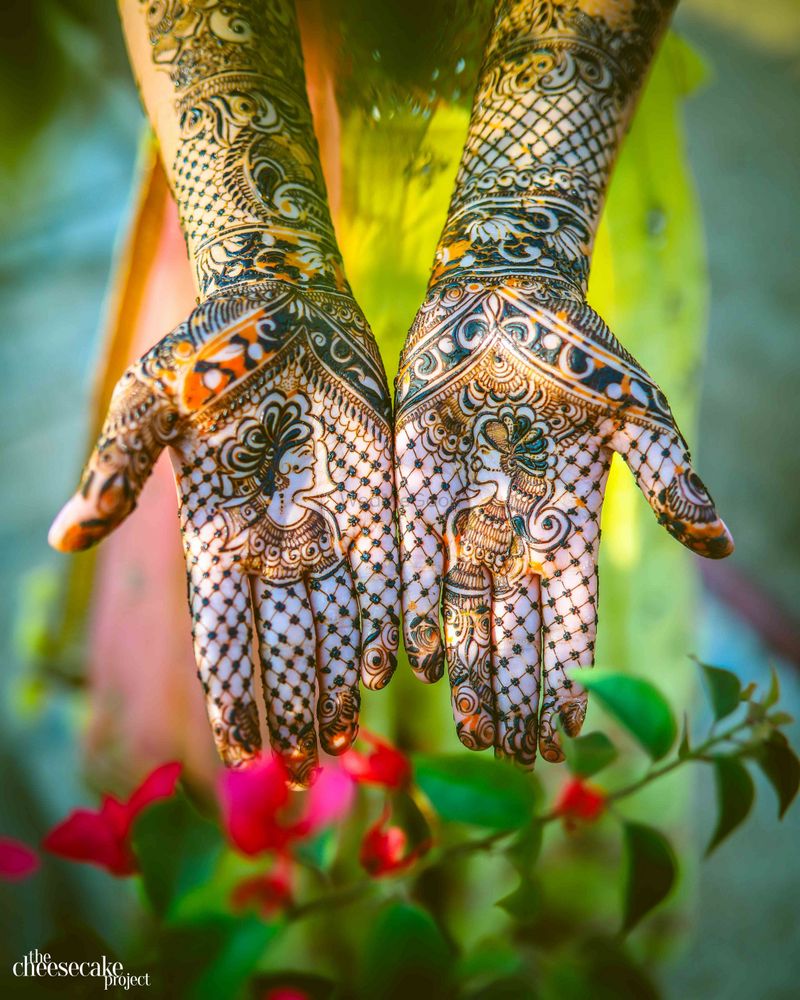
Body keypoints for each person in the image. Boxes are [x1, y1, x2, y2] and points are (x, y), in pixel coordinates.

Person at [49, 0, 731, 784]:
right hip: (243, 164)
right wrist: (259, 258)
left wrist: (524, 249)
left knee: (537, 642)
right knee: (269, 680)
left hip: (566, 177)